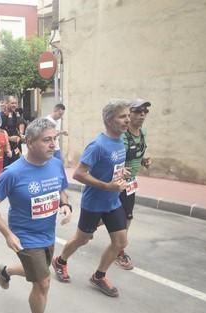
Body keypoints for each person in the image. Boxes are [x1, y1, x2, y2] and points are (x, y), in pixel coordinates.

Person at [0, 118, 71, 313]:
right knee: (43, 281)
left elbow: (61, 187)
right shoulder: (13, 173)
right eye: (47, 140)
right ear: (29, 142)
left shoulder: (55, 163)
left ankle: (4, 269)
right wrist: (7, 234)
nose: (53, 145)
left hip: (48, 233)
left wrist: (65, 204)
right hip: (25, 237)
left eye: (55, 139)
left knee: (38, 270)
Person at [51, 100, 130, 297]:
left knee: (120, 242)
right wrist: (106, 185)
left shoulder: (121, 140)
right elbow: (78, 174)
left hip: (113, 201)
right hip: (94, 203)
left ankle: (99, 276)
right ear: (110, 120)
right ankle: (60, 261)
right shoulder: (97, 146)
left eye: (128, 116)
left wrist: (120, 172)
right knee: (82, 239)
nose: (128, 120)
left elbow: (109, 167)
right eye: (123, 116)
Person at [115, 99, 152, 270]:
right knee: (115, 216)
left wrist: (143, 160)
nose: (142, 114)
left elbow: (138, 153)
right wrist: (120, 170)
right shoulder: (123, 136)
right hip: (116, 184)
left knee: (127, 216)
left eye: (145, 111)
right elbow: (114, 158)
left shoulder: (142, 134)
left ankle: (119, 250)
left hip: (130, 184)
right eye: (138, 111)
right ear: (130, 114)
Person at [0, 96, 26, 167]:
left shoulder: (16, 115)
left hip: (16, 149)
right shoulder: (1, 117)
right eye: (12, 103)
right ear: (6, 104)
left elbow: (18, 127)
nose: (14, 105)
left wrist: (21, 136)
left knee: (17, 168)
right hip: (5, 151)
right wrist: (9, 138)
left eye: (15, 103)